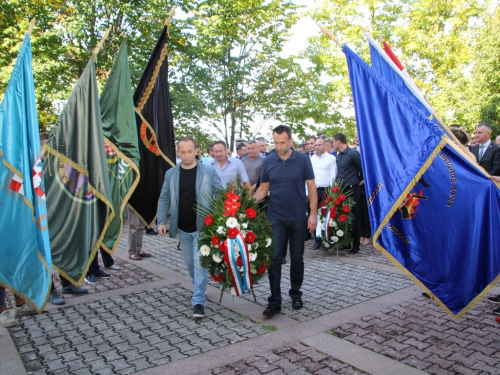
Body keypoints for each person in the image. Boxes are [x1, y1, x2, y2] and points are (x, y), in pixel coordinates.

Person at [253, 125, 317, 316]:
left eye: (282, 142)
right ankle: (274, 300)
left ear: (290, 141)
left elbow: (312, 188)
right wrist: (243, 205)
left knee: (297, 259)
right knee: (274, 259)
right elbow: (263, 190)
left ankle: (296, 294)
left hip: (298, 217)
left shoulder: (303, 160)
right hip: (276, 217)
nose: (279, 146)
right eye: (276, 142)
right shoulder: (268, 161)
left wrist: (313, 214)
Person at [157, 137, 222, 318]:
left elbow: (221, 194)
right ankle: (199, 287)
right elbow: (164, 198)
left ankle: (198, 301)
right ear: (178, 152)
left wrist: (218, 217)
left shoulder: (208, 171)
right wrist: (161, 221)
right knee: (190, 264)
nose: (186, 155)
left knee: (200, 263)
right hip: (182, 228)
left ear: (196, 151)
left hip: (203, 227)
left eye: (189, 151)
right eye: (182, 152)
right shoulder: (171, 173)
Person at [333, 132, 363, 254]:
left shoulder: (352, 154)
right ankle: (345, 242)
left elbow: (362, 167)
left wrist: (362, 180)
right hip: (341, 190)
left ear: (338, 141)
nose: (333, 144)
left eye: (333, 141)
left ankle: (356, 245)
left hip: (353, 189)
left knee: (354, 217)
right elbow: (340, 172)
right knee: (342, 217)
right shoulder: (338, 156)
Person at [310, 137, 337, 249]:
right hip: (314, 190)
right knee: (314, 214)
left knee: (326, 214)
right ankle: (317, 239)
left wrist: (331, 192)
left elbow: (333, 175)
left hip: (326, 190)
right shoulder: (312, 159)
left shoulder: (331, 158)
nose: (317, 147)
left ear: (325, 146)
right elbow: (309, 177)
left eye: (319, 145)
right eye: (315, 145)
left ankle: (326, 239)